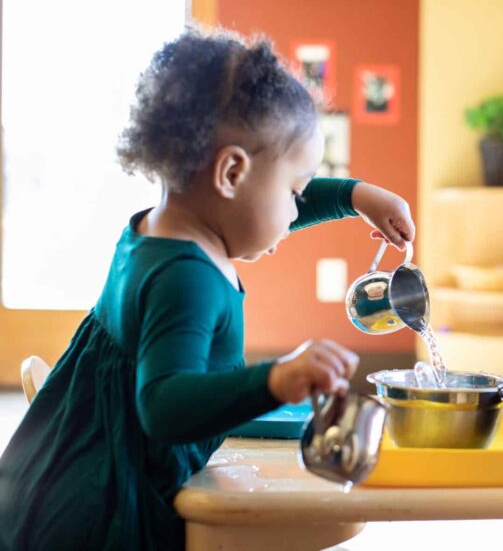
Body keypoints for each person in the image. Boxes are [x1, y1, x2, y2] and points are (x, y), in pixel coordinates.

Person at [0, 27, 415, 550]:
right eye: (294, 191)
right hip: (106, 512)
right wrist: (277, 379)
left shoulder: (165, 229)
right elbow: (165, 406)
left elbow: (263, 208)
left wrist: (357, 196)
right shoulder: (186, 278)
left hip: (73, 471)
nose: (294, 209)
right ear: (231, 172)